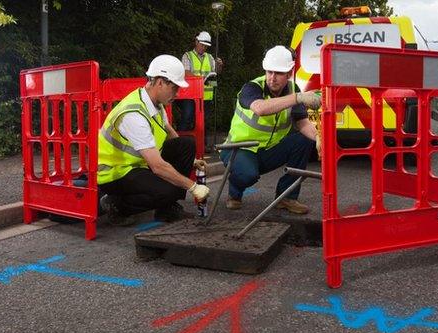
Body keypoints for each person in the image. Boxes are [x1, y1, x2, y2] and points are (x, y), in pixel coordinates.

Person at [97, 54, 210, 226]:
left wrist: (191, 159)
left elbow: (168, 130)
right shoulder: (134, 114)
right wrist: (193, 187)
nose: (177, 93)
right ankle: (117, 206)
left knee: (186, 144)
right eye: (174, 88)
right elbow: (157, 167)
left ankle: (166, 209)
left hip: (138, 164)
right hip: (115, 173)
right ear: (160, 83)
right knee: (168, 190)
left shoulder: (154, 102)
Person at [220, 45, 321, 215]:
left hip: (267, 151)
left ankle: (286, 197)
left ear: (289, 73)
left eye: (279, 73)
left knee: (304, 141)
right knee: (247, 175)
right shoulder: (252, 88)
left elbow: (301, 122)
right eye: (269, 72)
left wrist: (318, 138)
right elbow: (260, 108)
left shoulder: (292, 89)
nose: (272, 78)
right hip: (238, 150)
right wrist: (298, 97)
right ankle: (235, 191)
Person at [177, 31, 223, 133]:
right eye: (202, 45)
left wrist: (219, 66)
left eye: (206, 46)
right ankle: (180, 141)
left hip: (206, 97)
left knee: (203, 122)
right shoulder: (187, 56)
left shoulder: (210, 57)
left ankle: (202, 145)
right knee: (187, 117)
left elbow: (216, 75)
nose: (204, 48)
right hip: (190, 96)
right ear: (196, 42)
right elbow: (186, 73)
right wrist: (202, 81)